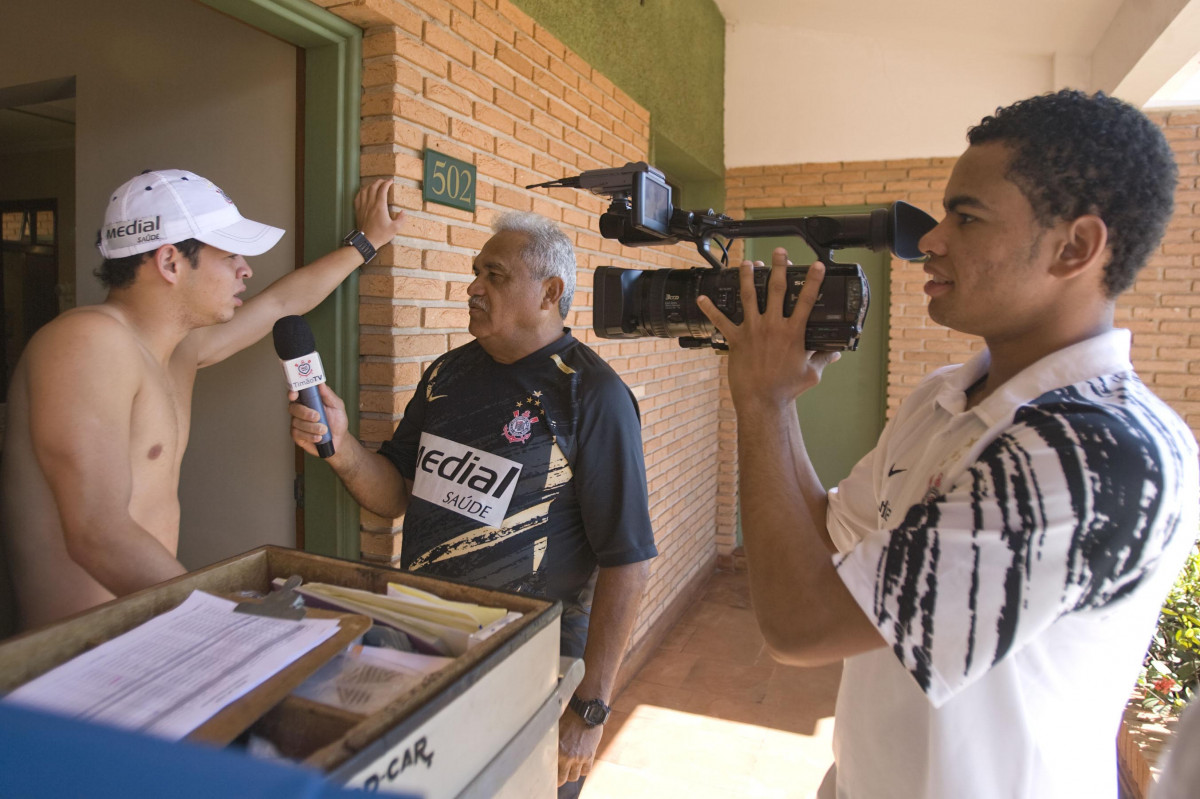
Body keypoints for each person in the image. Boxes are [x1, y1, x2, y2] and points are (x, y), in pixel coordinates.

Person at [698, 89, 1199, 798]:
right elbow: (832, 543)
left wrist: (762, 402)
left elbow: (801, 623)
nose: (931, 239)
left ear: (1076, 246)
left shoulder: (1100, 453)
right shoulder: (944, 398)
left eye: (966, 217)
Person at [287, 212, 656, 795]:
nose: (473, 287)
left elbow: (627, 561)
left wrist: (589, 710)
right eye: (474, 272)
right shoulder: (447, 374)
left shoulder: (593, 396)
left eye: (495, 275)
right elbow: (396, 493)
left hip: (533, 668)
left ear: (550, 293)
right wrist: (341, 448)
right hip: (428, 648)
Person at [1, 170, 404, 631]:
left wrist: (367, 243)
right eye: (230, 254)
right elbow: (97, 532)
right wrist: (229, 620)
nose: (246, 269)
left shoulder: (179, 350)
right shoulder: (86, 342)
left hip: (145, 630)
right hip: (75, 656)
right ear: (170, 262)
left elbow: (278, 305)